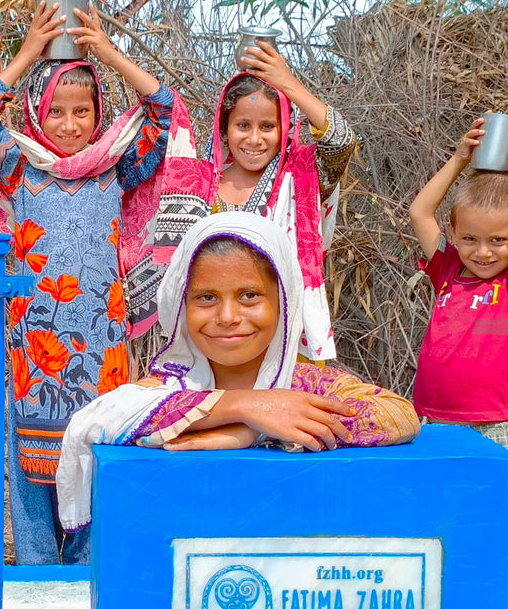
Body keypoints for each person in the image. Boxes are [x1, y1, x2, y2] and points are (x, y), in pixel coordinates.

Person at [0, 0, 196, 564]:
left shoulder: (115, 164)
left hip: (102, 353)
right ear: (36, 113)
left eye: (83, 111)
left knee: (95, 470)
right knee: (32, 481)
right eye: (57, 112)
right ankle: (36, 584)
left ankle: (86, 587)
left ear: (99, 112)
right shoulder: (17, 163)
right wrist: (28, 52)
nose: (72, 125)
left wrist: (106, 51)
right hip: (34, 350)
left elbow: (164, 110)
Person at [56, 212, 419, 531]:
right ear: (181, 306)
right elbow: (100, 419)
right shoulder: (165, 388)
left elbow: (398, 415)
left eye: (249, 296)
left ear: (284, 302)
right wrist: (244, 407)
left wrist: (253, 431)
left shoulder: (306, 385)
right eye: (206, 298)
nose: (228, 317)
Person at [156, 40, 357, 361]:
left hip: (284, 338)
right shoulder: (200, 183)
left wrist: (286, 82)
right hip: (216, 340)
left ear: (285, 128)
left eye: (267, 126)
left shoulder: (301, 177)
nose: (253, 139)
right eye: (242, 125)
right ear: (225, 129)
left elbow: (342, 141)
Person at [408, 118, 508, 447]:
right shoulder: (448, 267)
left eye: (498, 240)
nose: (483, 252)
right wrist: (459, 159)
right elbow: (420, 212)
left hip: (499, 424)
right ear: (452, 230)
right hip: (435, 419)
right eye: (469, 238)